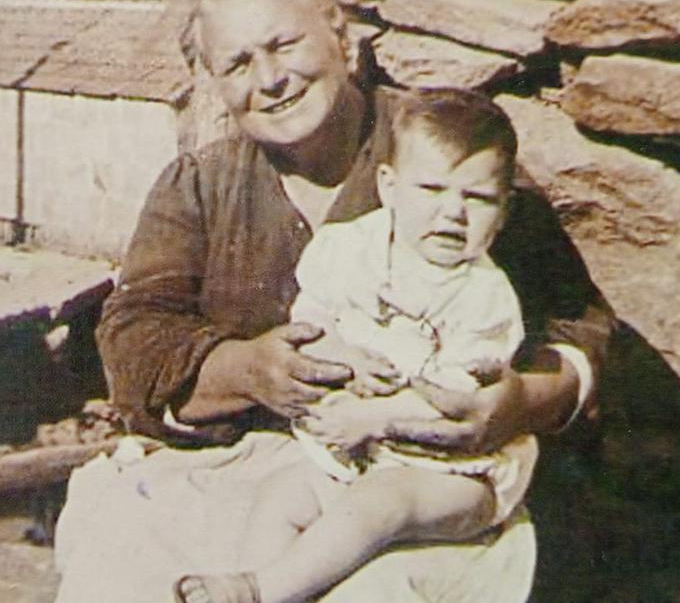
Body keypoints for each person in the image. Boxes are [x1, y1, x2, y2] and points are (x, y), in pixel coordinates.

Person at [53, 0, 613, 602]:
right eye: (237, 64)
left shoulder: (438, 157)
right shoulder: (199, 186)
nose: (270, 79)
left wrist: (519, 402)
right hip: (240, 468)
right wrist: (247, 370)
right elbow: (135, 339)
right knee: (128, 566)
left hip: (420, 478)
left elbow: (577, 325)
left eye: (284, 44)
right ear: (214, 85)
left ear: (341, 39)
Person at [174, 90, 544, 603]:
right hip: (357, 456)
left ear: (503, 211)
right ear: (390, 188)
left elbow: (457, 402)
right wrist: (341, 352)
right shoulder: (352, 248)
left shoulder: (486, 300)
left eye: (476, 198)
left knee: (381, 501)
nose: (453, 214)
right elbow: (313, 319)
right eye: (432, 189)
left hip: (451, 475)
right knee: (279, 495)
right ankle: (252, 583)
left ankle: (262, 591)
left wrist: (376, 420)